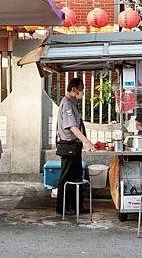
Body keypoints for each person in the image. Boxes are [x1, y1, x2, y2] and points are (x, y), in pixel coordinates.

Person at [56, 77, 95, 215]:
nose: (82, 91)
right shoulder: (66, 103)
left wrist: (84, 140)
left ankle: (77, 206)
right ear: (73, 89)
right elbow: (72, 126)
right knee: (66, 178)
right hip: (68, 145)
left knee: (77, 177)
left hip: (75, 145)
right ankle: (63, 208)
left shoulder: (73, 102)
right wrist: (86, 141)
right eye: (81, 89)